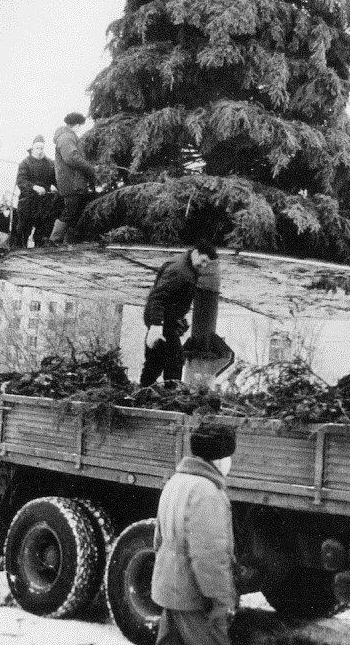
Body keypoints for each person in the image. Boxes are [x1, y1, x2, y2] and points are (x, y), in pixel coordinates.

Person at [152, 420, 237, 645]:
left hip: (170, 591)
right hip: (194, 598)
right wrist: (219, 599)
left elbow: (158, 539)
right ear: (220, 459)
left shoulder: (176, 481)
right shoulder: (207, 492)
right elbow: (208, 554)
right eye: (229, 456)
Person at [140, 241, 218, 387]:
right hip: (162, 322)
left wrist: (180, 318)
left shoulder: (188, 266)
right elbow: (159, 297)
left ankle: (148, 392)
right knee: (171, 360)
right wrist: (156, 326)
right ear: (195, 253)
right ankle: (160, 394)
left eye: (207, 263)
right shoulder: (179, 270)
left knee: (161, 360)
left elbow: (176, 297)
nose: (204, 266)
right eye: (203, 261)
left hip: (167, 320)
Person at [49, 112, 97, 245]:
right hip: (72, 182)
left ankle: (67, 241)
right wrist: (89, 167)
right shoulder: (67, 137)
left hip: (71, 181)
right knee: (70, 211)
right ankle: (54, 240)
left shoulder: (65, 136)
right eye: (80, 126)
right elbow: (71, 157)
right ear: (76, 125)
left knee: (73, 211)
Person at [14, 135, 58, 247]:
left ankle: (40, 252)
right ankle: (18, 253)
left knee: (43, 230)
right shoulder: (25, 163)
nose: (39, 151)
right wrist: (34, 187)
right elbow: (21, 181)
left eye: (41, 148)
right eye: (37, 148)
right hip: (28, 201)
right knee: (23, 230)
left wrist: (54, 187)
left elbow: (55, 179)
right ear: (32, 149)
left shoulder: (50, 163)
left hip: (45, 202)